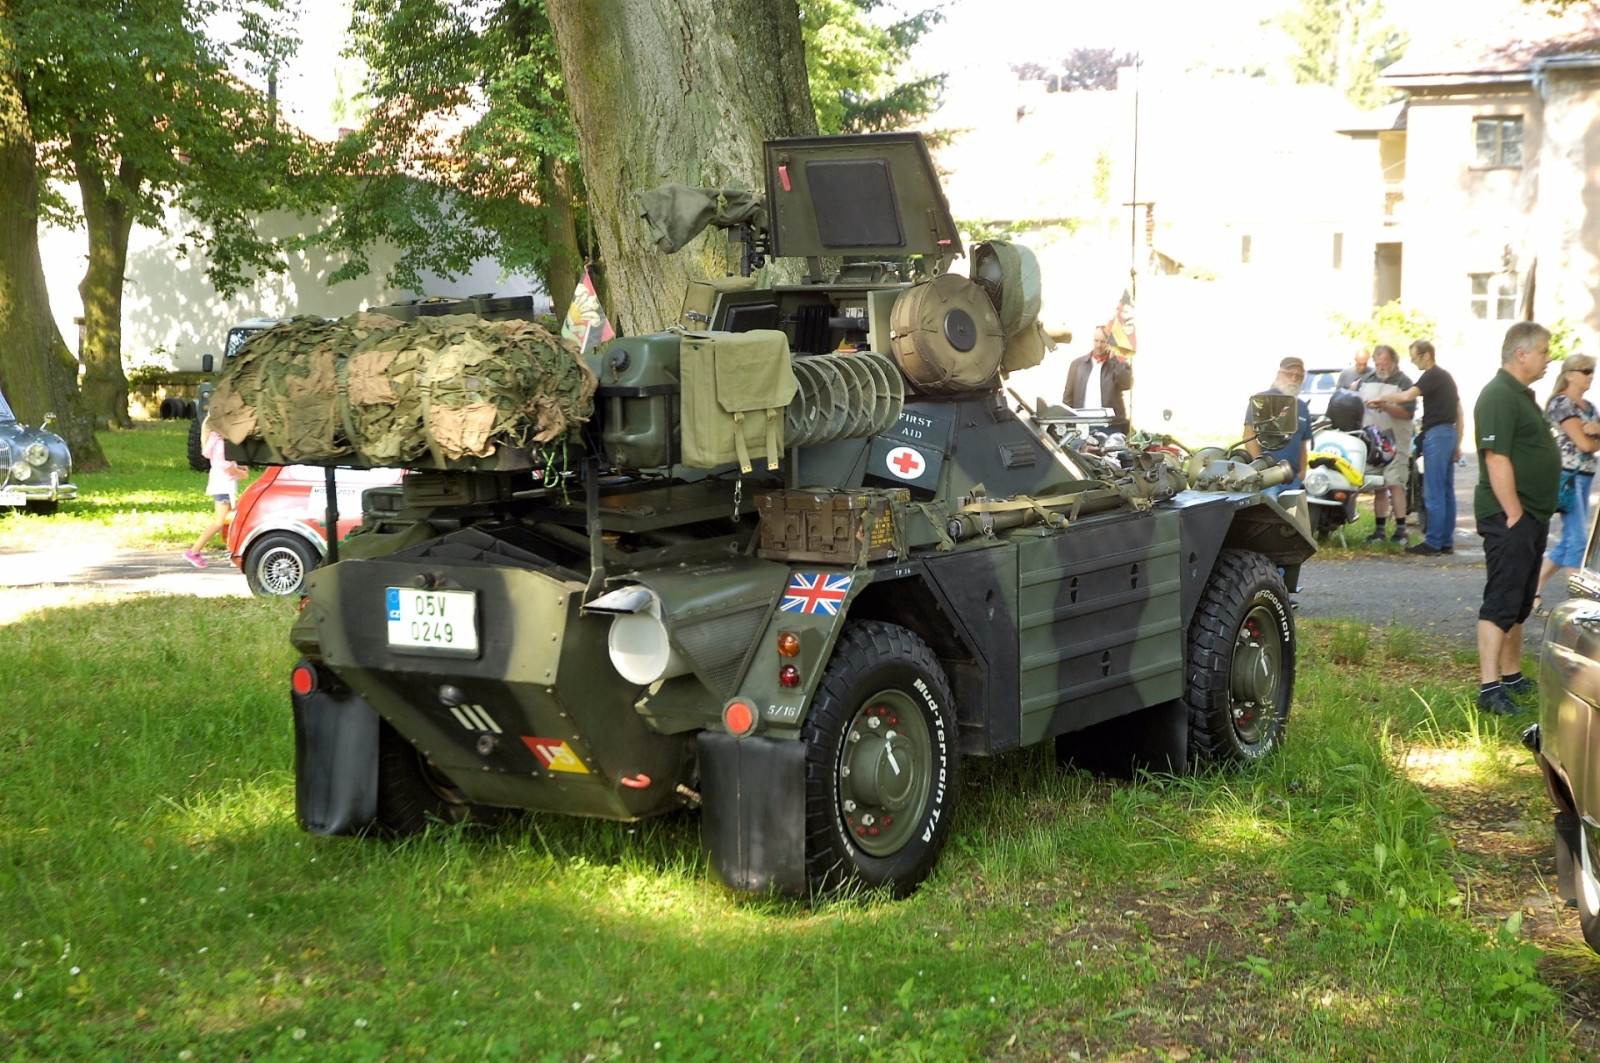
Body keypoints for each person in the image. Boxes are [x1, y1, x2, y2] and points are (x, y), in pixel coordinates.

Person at [1472, 321, 1561, 715]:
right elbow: (1496, 457)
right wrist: (1513, 513)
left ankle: (1511, 675)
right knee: (1502, 598)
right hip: (1509, 515)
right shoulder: (1498, 395)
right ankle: (1489, 689)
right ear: (1521, 354)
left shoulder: (1522, 395)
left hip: (1530, 515)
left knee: (1521, 600)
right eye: (1543, 351)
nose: (1549, 359)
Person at [1533, 353, 1600, 612]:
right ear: (1569, 374)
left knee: (1570, 540)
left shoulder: (1589, 407)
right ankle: (1577, 606)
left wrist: (1597, 432)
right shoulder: (1562, 403)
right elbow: (1585, 444)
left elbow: (1593, 442)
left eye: (1592, 370)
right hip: (1566, 478)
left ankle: (1533, 590)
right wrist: (1594, 435)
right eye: (1585, 371)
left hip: (1585, 476)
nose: (1590, 375)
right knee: (1579, 541)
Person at [1386, 340, 1464, 556]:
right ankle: (1446, 541)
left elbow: (1408, 395)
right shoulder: (1446, 377)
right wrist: (1458, 442)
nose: (1413, 362)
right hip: (1449, 433)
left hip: (1436, 436)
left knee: (1434, 491)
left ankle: (1433, 542)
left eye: (1415, 358)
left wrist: (1383, 398)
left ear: (1427, 355)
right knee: (1446, 491)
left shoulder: (1432, 375)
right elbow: (1459, 412)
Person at [1359, 345, 1416, 544]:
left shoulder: (1405, 382)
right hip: (1373, 443)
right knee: (1379, 486)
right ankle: (1379, 530)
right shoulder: (1367, 379)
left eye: (1385, 363)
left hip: (1397, 442)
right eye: (1378, 364)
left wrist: (1385, 407)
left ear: (1394, 362)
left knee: (1395, 483)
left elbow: (1408, 413)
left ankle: (1401, 531)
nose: (1381, 367)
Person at [183, 419, 247, 568]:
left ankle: (232, 553)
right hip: (223, 485)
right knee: (221, 522)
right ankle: (194, 551)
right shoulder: (220, 443)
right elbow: (225, 465)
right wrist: (241, 473)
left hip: (223, 485)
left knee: (230, 521)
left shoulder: (217, 441)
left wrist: (240, 468)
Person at [1242, 356, 1313, 489]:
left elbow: (1303, 443)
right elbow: (1248, 436)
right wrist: (1262, 470)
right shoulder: (1262, 400)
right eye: (1289, 374)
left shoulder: (1302, 407)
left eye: (1298, 376)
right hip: (1266, 479)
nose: (1294, 379)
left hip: (1293, 480)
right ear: (1279, 374)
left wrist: (1302, 471)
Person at [1063, 325, 1134, 434]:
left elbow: (1126, 384)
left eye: (1103, 342)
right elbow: (1068, 397)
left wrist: (1114, 359)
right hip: (1083, 425)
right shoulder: (1077, 364)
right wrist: (1067, 424)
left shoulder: (1118, 364)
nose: (1099, 345)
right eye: (1096, 341)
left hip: (1111, 425)